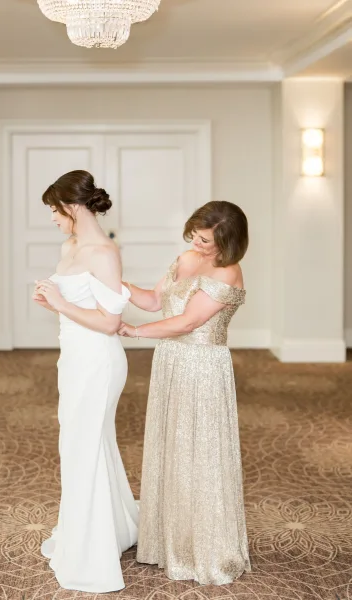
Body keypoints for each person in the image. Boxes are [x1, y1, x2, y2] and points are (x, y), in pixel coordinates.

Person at [119, 201, 251, 585]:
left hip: (203, 367)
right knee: (172, 447)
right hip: (172, 362)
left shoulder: (229, 272)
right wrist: (117, 285)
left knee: (201, 452)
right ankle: (168, 540)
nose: (196, 241)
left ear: (227, 241)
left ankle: (205, 548)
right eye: (194, 232)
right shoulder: (185, 256)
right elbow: (155, 301)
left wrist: (135, 331)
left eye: (205, 239)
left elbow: (190, 321)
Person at [33, 170, 138, 593]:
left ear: (72, 207)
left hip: (98, 360)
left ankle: (91, 550)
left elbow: (110, 322)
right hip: (74, 356)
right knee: (81, 445)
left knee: (85, 446)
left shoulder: (103, 252)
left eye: (54, 211)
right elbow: (76, 309)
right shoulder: (69, 244)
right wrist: (52, 303)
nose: (52, 219)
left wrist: (61, 302)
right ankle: (104, 527)